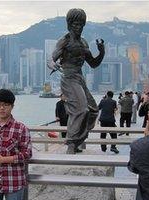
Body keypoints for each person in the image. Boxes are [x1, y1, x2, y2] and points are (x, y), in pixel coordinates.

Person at [47, 8, 105, 154]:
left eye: (81, 24)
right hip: (68, 78)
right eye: (75, 24)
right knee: (81, 109)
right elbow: (51, 58)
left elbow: (93, 63)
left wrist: (102, 52)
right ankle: (72, 143)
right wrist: (54, 64)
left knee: (93, 110)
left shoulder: (84, 43)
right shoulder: (65, 41)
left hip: (79, 78)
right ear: (69, 25)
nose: (78, 27)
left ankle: (79, 139)